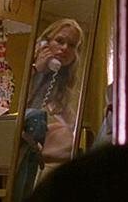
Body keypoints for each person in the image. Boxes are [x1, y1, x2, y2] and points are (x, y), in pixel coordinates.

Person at [25, 19, 84, 163]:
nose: (65, 48)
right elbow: (19, 108)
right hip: (16, 131)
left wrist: (77, 132)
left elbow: (66, 115)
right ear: (45, 43)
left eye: (72, 45)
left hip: (35, 136)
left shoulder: (60, 78)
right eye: (60, 41)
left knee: (66, 134)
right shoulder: (28, 67)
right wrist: (37, 70)